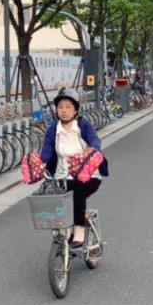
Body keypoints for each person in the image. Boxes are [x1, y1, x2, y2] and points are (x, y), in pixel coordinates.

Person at [39, 88, 109, 248]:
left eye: (68, 107)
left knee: (78, 190)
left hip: (88, 175)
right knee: (57, 197)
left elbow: (95, 142)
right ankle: (65, 228)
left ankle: (79, 229)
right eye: (60, 107)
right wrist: (41, 164)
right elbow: (47, 151)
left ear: (76, 110)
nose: (64, 111)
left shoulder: (83, 125)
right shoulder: (53, 130)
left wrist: (92, 152)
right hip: (62, 176)